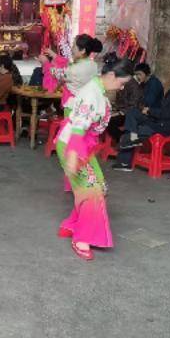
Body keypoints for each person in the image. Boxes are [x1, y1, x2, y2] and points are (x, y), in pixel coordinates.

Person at [55, 57, 135, 260]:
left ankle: (73, 225)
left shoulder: (97, 88)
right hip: (73, 145)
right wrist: (73, 155)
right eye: (122, 83)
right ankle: (82, 238)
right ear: (111, 75)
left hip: (82, 146)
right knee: (92, 192)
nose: (121, 87)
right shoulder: (92, 94)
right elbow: (78, 127)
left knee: (99, 187)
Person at [113, 67, 170, 171]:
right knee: (132, 113)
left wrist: (149, 111)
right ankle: (132, 140)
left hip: (167, 125)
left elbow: (168, 114)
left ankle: (125, 162)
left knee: (130, 133)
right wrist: (148, 111)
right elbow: (162, 109)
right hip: (158, 120)